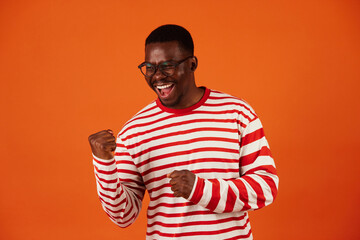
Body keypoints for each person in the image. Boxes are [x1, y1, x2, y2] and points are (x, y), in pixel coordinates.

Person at [88, 24, 278, 240]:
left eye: (167, 66)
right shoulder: (135, 131)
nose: (157, 76)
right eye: (150, 67)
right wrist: (104, 163)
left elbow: (266, 187)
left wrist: (201, 190)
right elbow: (124, 215)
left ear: (192, 64)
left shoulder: (237, 113)